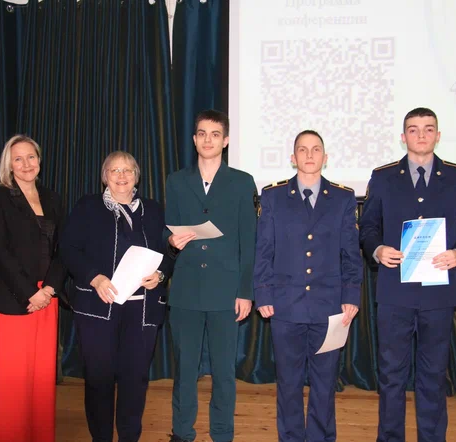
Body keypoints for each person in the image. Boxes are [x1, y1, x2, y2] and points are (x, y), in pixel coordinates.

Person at [359, 107, 456, 442]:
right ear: (403, 137)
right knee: (391, 377)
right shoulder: (383, 177)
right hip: (394, 292)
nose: (421, 135)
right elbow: (367, 227)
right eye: (413, 130)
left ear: (438, 135)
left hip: (438, 292)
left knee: (433, 377)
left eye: (428, 129)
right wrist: (377, 249)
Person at [253, 130, 362, 442]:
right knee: (288, 383)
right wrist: (263, 293)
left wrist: (351, 295)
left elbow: (350, 253)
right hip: (286, 305)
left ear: (325, 158)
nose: (309, 155)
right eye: (302, 149)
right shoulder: (273, 197)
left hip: (329, 307)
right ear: (293, 157)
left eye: (316, 150)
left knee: (324, 384)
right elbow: (264, 250)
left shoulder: (343, 198)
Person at [60, 151, 174, 442]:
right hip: (98, 306)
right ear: (105, 177)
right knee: (98, 379)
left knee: (135, 380)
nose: (121, 176)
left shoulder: (153, 209)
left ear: (137, 176)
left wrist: (160, 275)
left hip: (142, 310)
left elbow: (169, 251)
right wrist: (94, 277)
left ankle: (128, 437)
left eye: (127, 170)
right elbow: (68, 249)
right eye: (114, 170)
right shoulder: (88, 206)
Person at [165, 109, 258, 442]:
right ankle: (181, 432)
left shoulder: (242, 182)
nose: (208, 140)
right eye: (202, 134)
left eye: (215, 134)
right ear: (194, 139)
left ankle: (222, 433)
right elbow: (167, 229)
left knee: (223, 372)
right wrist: (171, 242)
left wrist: (245, 291)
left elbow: (249, 242)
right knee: (185, 371)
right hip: (186, 290)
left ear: (226, 140)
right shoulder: (176, 181)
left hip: (225, 290)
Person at [0, 134, 67, 442]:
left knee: (41, 379)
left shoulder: (52, 198)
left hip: (47, 299)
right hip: (15, 299)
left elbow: (63, 249)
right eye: (18, 159)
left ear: (39, 160)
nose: (26, 164)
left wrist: (50, 288)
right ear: (9, 164)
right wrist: (30, 292)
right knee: (12, 382)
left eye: (31, 157)